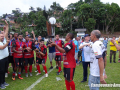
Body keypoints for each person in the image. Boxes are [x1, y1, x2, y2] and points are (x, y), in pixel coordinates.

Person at [0, 20, 9, 89]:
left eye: (3, 37)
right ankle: (1, 83)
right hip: (1, 59)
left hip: (6, 58)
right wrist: (7, 43)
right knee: (1, 71)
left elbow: (6, 31)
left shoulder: (4, 40)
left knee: (5, 70)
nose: (3, 37)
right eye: (1, 37)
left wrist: (7, 25)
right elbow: (2, 47)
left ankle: (3, 82)